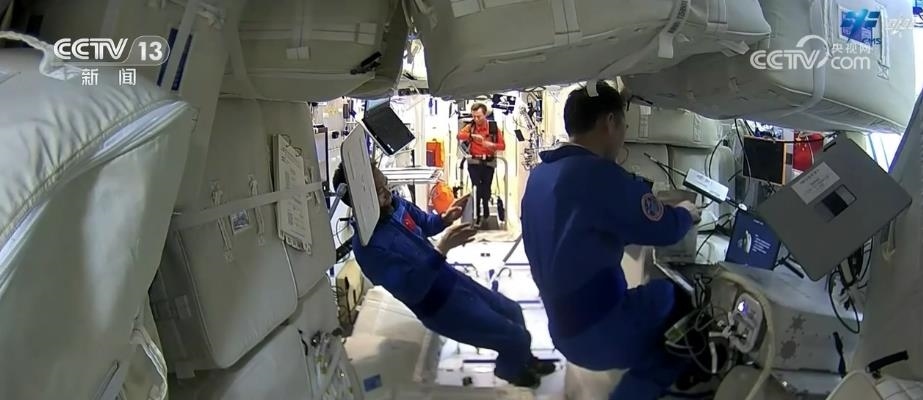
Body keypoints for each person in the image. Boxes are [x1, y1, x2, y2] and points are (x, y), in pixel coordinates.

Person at [520, 81, 702, 400]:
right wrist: (686, 213)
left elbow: (577, 234)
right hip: (600, 332)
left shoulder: (540, 175)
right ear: (610, 122)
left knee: (660, 312)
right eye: (624, 126)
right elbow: (664, 230)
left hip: (562, 329)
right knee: (688, 308)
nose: (623, 137)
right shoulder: (598, 176)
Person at [332, 162, 554, 388]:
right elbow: (413, 290)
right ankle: (510, 370)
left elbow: (426, 224)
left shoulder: (395, 206)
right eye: (380, 191)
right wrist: (441, 250)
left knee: (513, 310)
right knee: (514, 336)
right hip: (438, 306)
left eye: (385, 184)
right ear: (360, 201)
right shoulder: (369, 248)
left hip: (450, 279)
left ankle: (525, 360)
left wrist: (446, 218)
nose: (388, 193)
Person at [457, 103, 506, 227]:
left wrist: (491, 145)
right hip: (474, 162)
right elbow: (459, 135)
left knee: (486, 188)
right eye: (474, 116)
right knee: (476, 188)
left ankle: (486, 210)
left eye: (478, 116)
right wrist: (472, 136)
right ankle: (477, 215)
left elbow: (502, 146)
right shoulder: (471, 127)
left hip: (489, 162)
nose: (476, 119)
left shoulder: (493, 128)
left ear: (485, 115)